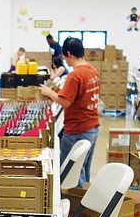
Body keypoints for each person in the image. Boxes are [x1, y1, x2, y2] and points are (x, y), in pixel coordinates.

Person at [39, 37, 100, 188]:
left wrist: (48, 92)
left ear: (68, 54)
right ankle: (82, 202)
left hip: (77, 129)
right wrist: (57, 91)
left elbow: (65, 102)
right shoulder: (92, 70)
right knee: (83, 169)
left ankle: (73, 205)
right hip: (92, 126)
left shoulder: (75, 74)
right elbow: (78, 96)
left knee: (70, 172)